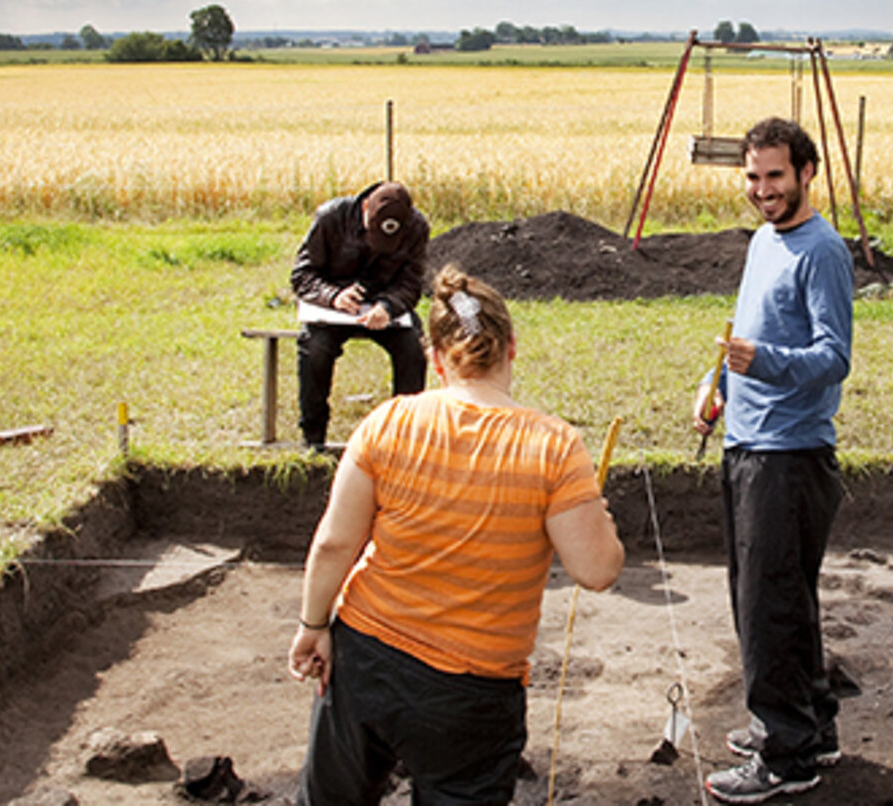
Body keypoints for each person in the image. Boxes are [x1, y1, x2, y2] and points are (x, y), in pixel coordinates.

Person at [287, 264, 626, 805]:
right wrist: (598, 516)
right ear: (511, 347)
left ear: (435, 356)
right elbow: (598, 569)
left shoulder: (388, 421)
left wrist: (312, 624)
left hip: (367, 659)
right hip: (473, 691)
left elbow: (334, 542)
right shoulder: (556, 447)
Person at [691, 117, 854, 804]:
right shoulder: (765, 241)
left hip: (789, 458)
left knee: (768, 610)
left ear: (807, 172)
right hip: (748, 442)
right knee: (779, 598)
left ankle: (785, 757)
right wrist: (717, 384)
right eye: (754, 178)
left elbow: (832, 357)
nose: (763, 190)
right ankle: (811, 726)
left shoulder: (822, 251)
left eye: (776, 176)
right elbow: (744, 332)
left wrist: (765, 364)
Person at [290, 181, 430, 452]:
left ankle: (404, 438)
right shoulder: (330, 218)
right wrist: (333, 296)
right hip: (332, 310)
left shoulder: (417, 228)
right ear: (364, 207)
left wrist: (388, 306)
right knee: (315, 349)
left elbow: (412, 283)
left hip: (385, 311)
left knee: (413, 349)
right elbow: (302, 275)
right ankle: (313, 437)